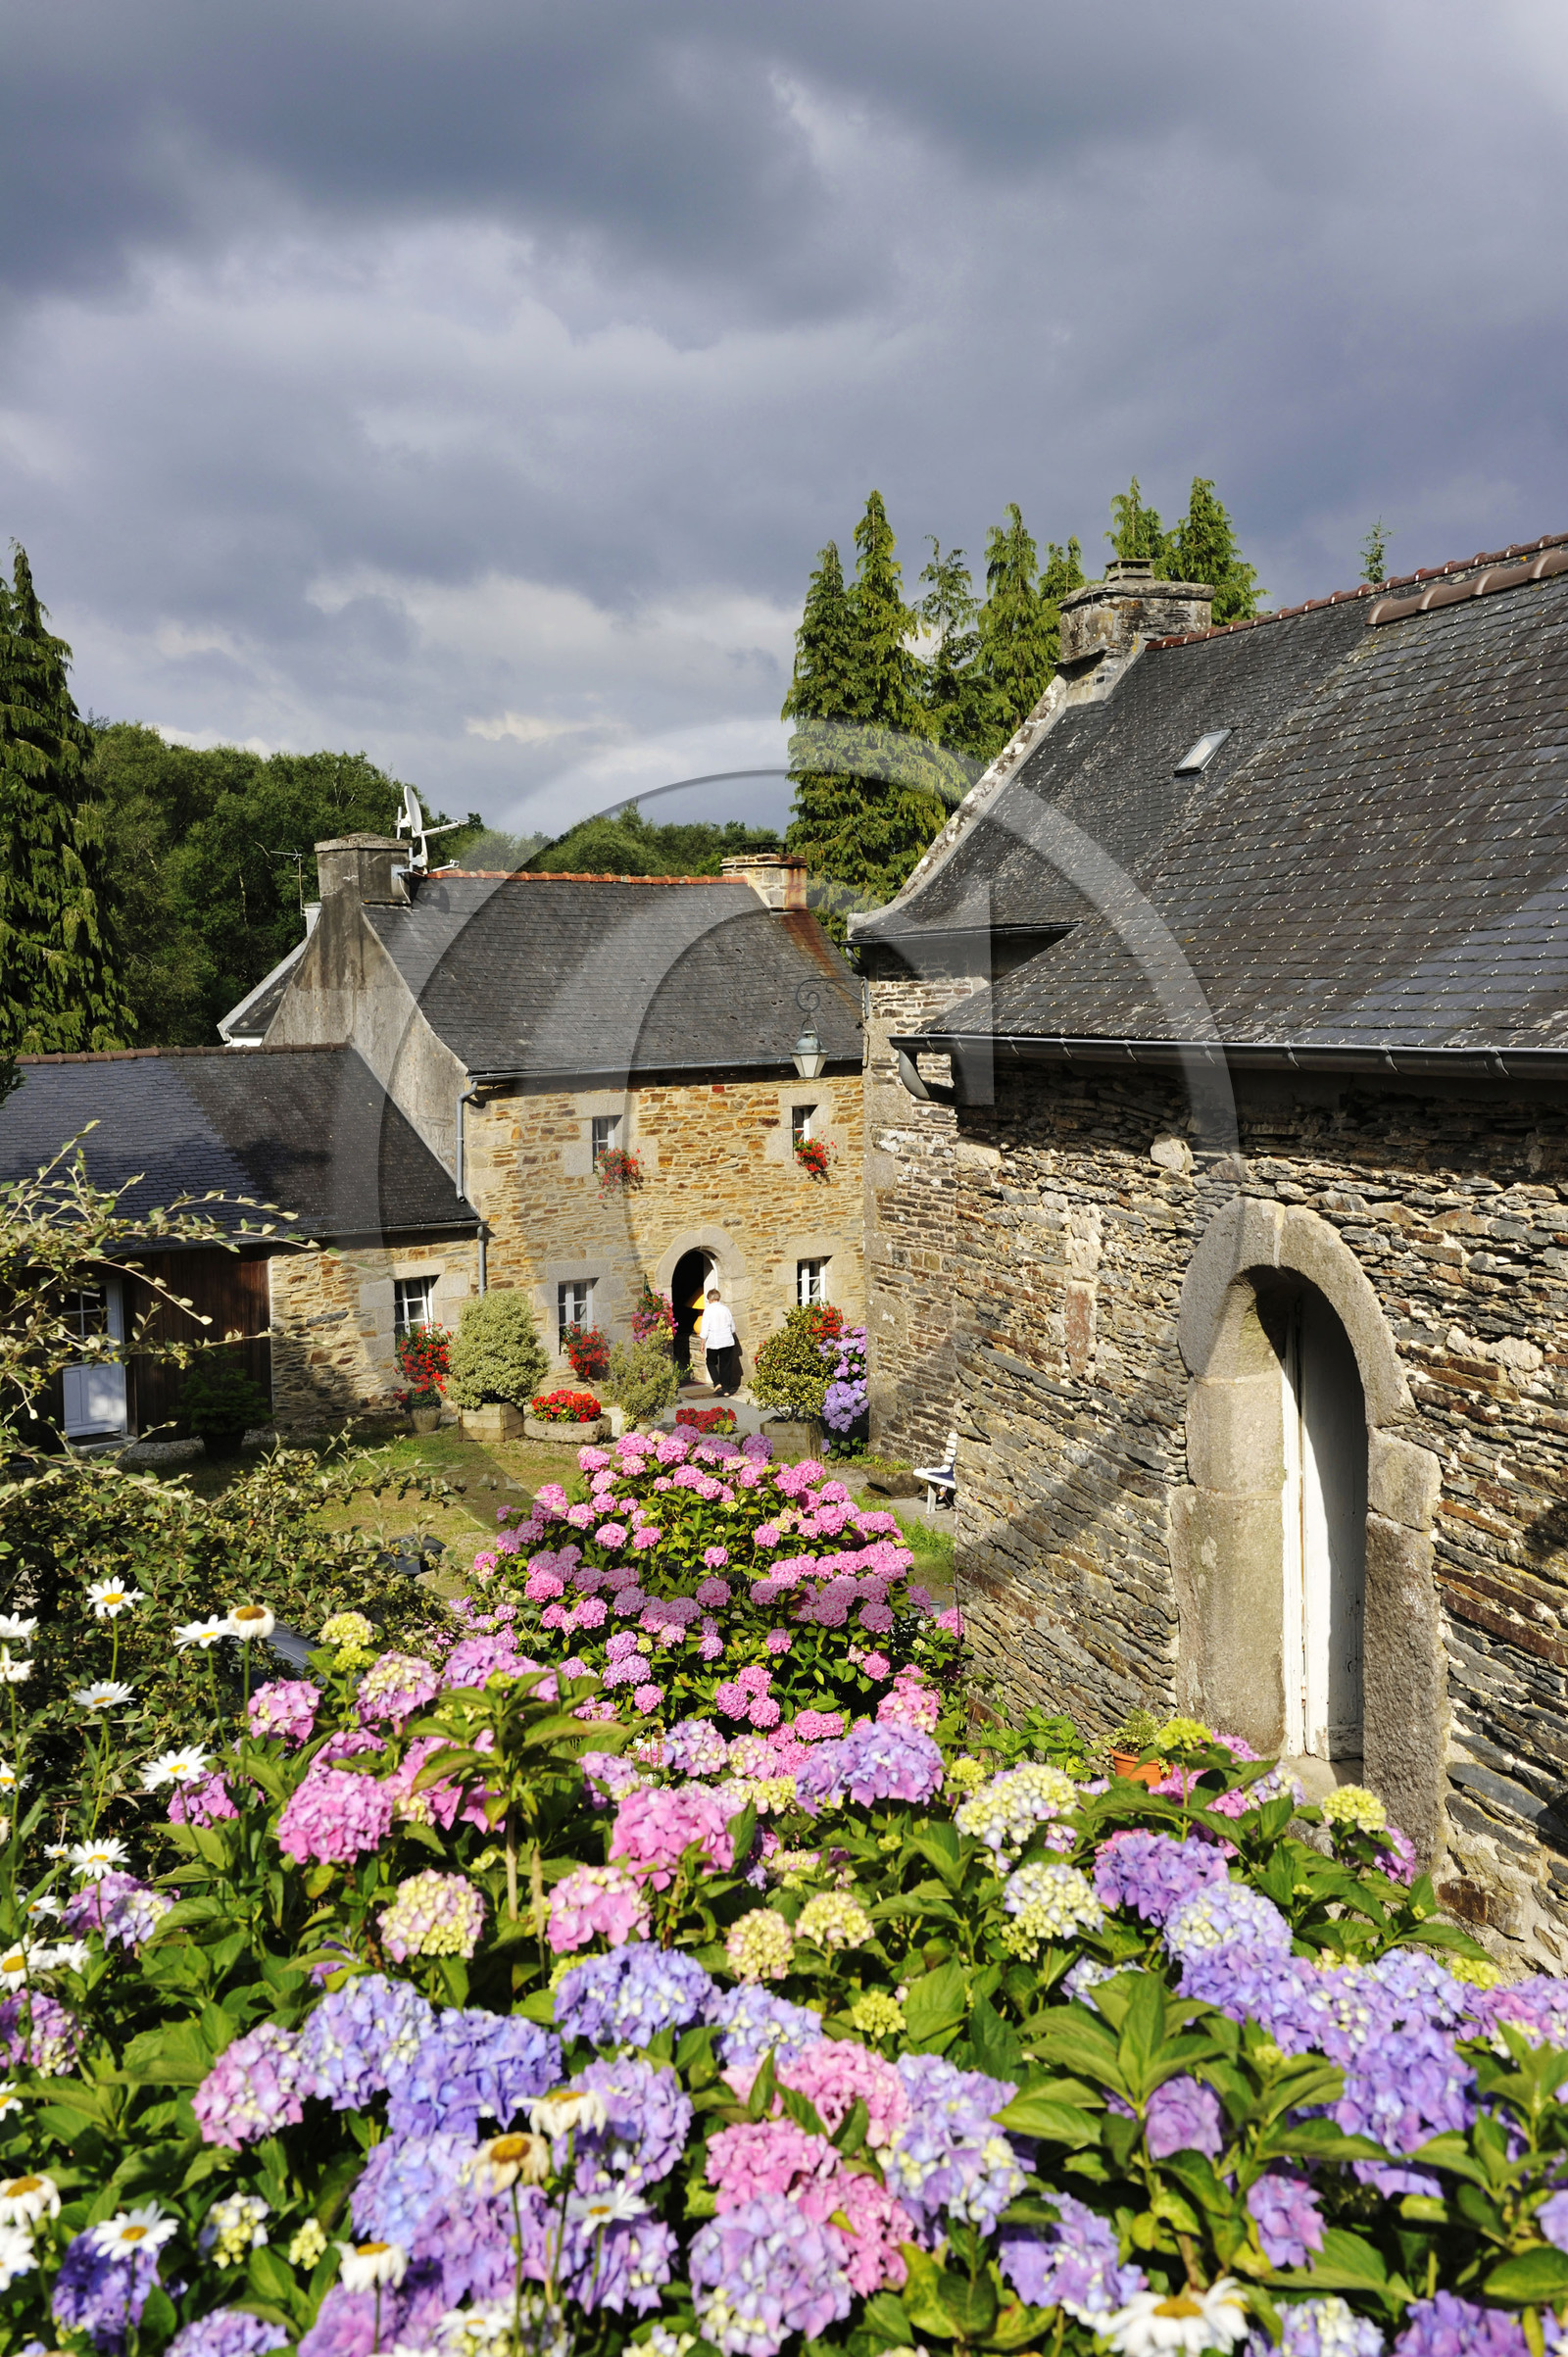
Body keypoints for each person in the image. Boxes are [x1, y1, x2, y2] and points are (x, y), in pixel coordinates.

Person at [698, 1288, 741, 1396]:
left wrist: (702, 1342)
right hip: (727, 1340)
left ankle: (717, 1382)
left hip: (714, 1341)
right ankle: (726, 1390)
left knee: (710, 1362)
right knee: (725, 1365)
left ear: (710, 1299)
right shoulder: (725, 1309)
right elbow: (733, 1328)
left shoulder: (708, 1310)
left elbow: (705, 1329)